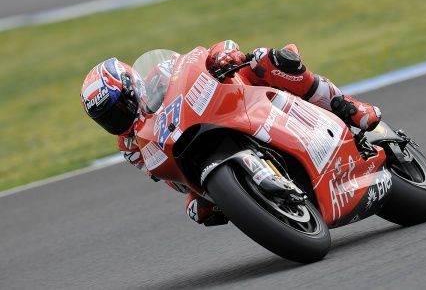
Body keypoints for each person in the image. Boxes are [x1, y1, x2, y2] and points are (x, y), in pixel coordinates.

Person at [80, 40, 381, 226]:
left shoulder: (159, 75)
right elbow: (171, 178)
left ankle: (344, 105)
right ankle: (262, 196)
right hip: (200, 150)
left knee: (269, 59)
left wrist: (225, 55)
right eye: (107, 118)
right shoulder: (132, 143)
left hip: (236, 100)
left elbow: (201, 58)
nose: (116, 119)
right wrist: (201, 196)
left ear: (132, 86)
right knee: (197, 209)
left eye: (119, 107)